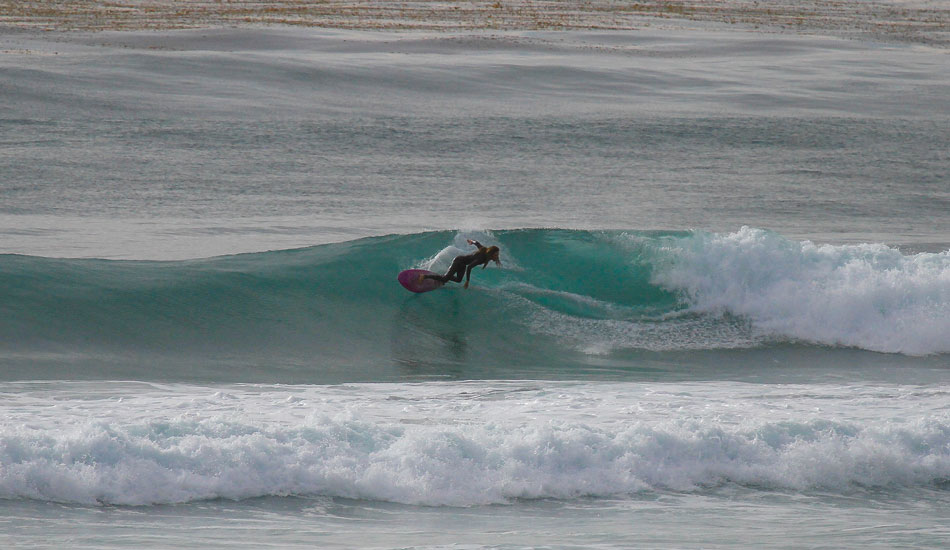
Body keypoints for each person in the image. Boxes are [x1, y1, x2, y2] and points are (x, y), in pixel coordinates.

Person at [422, 239, 501, 289]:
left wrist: (471, 241)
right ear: (491, 253)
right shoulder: (481, 258)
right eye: (496, 254)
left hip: (462, 264)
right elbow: (469, 267)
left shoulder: (484, 250)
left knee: (458, 280)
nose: (497, 256)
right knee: (445, 279)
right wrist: (467, 281)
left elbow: (477, 243)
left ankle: (443, 277)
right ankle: (425, 276)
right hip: (459, 261)